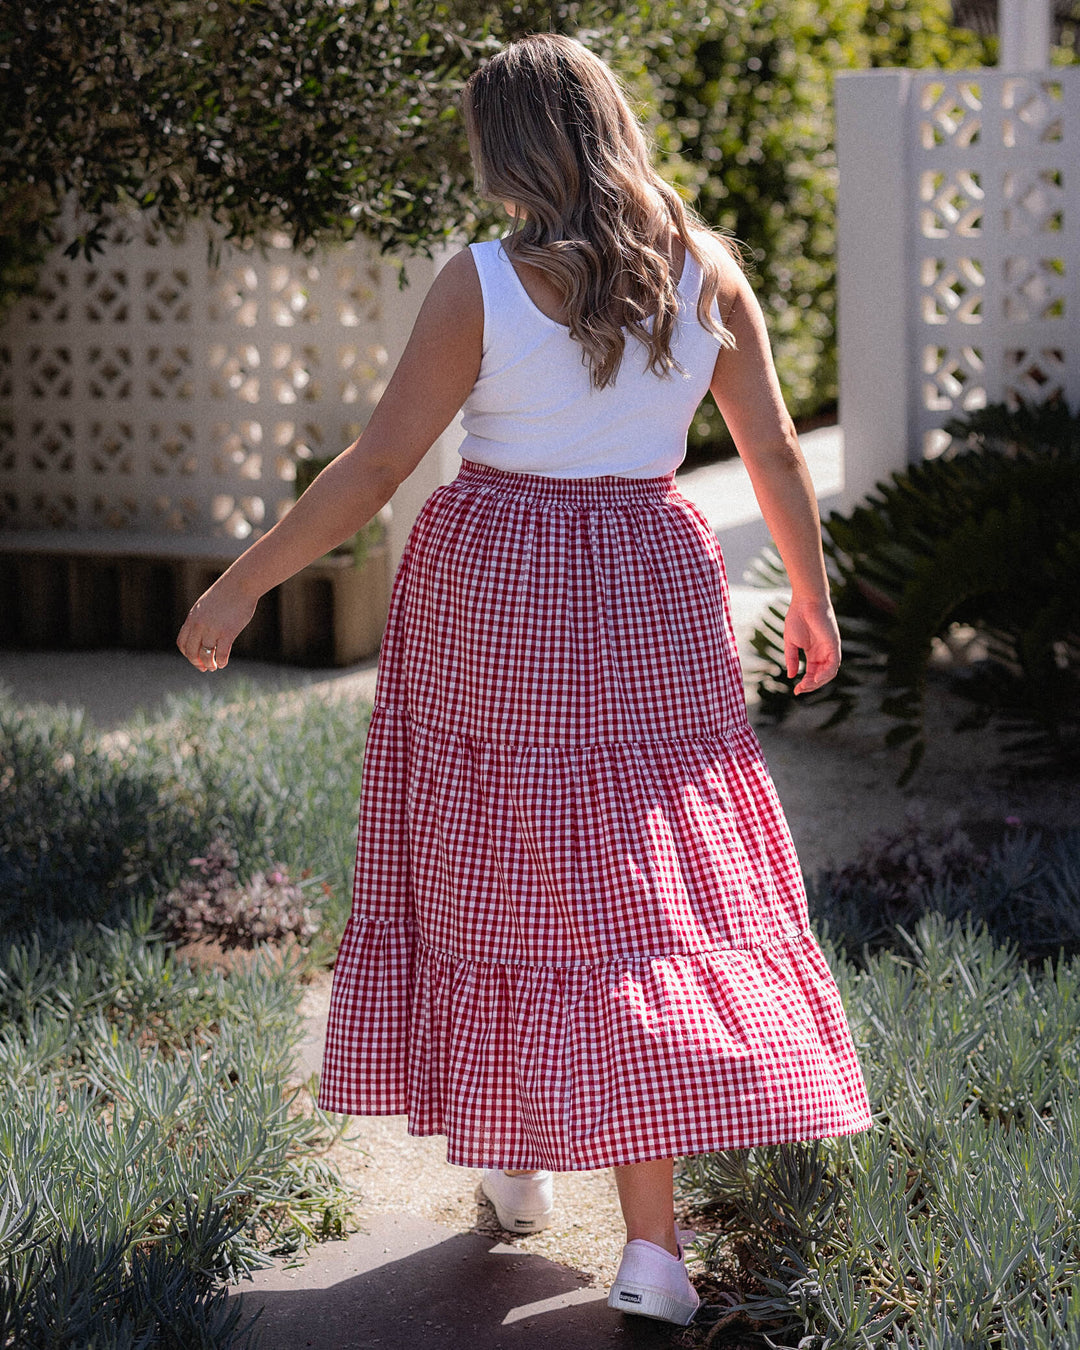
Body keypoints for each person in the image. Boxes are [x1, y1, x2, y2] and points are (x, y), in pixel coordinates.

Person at [177, 32, 872, 1327]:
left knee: (500, 865)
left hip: (497, 597)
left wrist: (243, 578)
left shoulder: (484, 283)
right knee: (638, 891)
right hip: (653, 592)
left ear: (507, 153)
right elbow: (773, 449)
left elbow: (376, 469)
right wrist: (813, 596)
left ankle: (516, 1155)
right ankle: (652, 1247)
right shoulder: (709, 272)